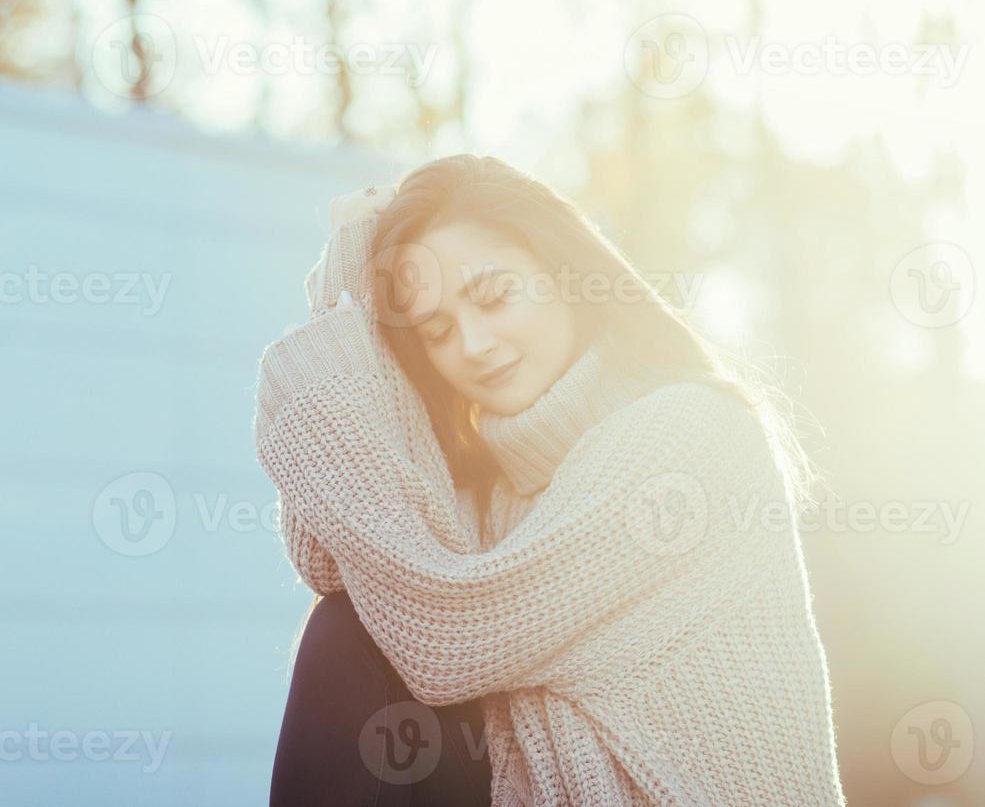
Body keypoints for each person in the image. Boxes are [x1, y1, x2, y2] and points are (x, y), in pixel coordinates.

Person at [256, 154, 847, 806]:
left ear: (567, 275)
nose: (473, 344)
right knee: (348, 629)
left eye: (493, 296)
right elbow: (332, 562)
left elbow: (444, 641)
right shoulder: (492, 488)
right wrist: (345, 296)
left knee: (355, 636)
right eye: (437, 330)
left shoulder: (691, 433)